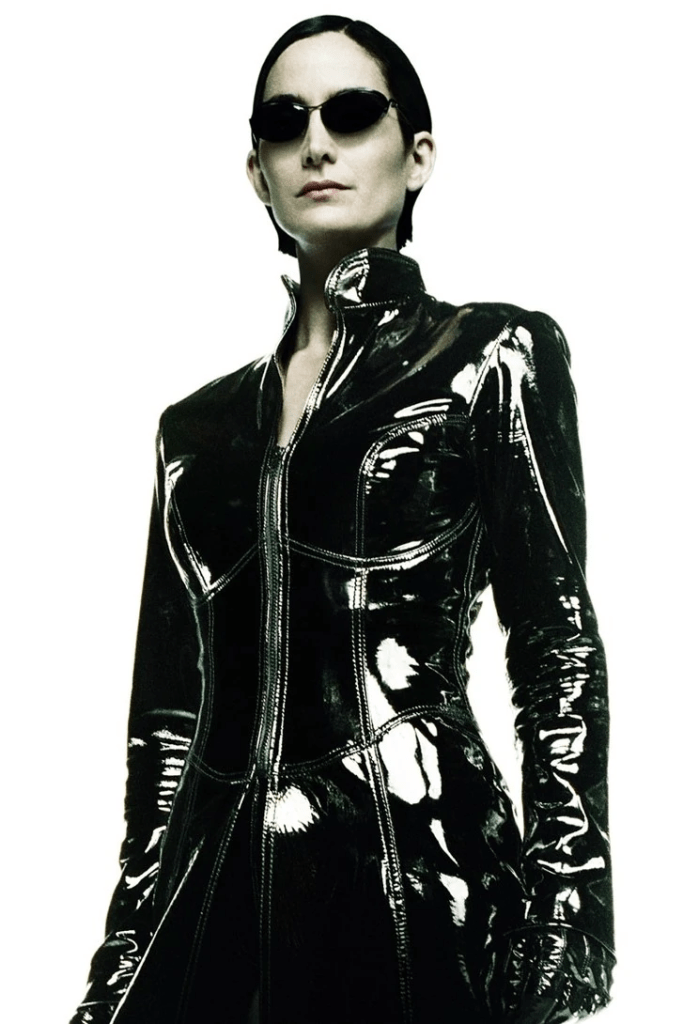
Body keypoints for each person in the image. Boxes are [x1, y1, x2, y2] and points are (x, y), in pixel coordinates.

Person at [70, 14, 615, 1024]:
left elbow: (554, 638)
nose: (316, 143)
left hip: (418, 878)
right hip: (212, 908)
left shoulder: (488, 355)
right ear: (257, 173)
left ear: (418, 156)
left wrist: (568, 893)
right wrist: (125, 953)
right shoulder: (194, 431)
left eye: (351, 113)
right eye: (285, 123)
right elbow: (166, 723)